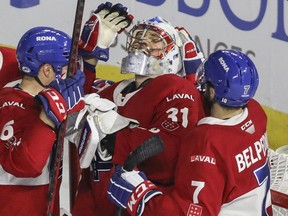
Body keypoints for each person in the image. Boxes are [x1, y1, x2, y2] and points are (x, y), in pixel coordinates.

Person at [72, 2, 206, 215]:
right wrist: (88, 58)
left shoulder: (178, 90)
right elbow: (71, 104)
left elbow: (171, 152)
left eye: (154, 40)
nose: (143, 43)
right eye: (139, 37)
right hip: (92, 202)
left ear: (173, 54)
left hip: (131, 207)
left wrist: (114, 136)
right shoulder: (115, 89)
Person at [107, 49, 273, 216]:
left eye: (206, 80)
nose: (202, 81)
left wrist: (142, 197)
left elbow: (193, 213)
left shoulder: (206, 141)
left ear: (213, 92)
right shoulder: (256, 113)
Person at [0, 26, 86, 216]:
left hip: (36, 205)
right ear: (47, 70)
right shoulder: (10, 105)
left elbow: (74, 99)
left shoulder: (44, 97)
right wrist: (47, 119)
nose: (71, 74)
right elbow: (25, 165)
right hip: (15, 207)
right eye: (66, 68)